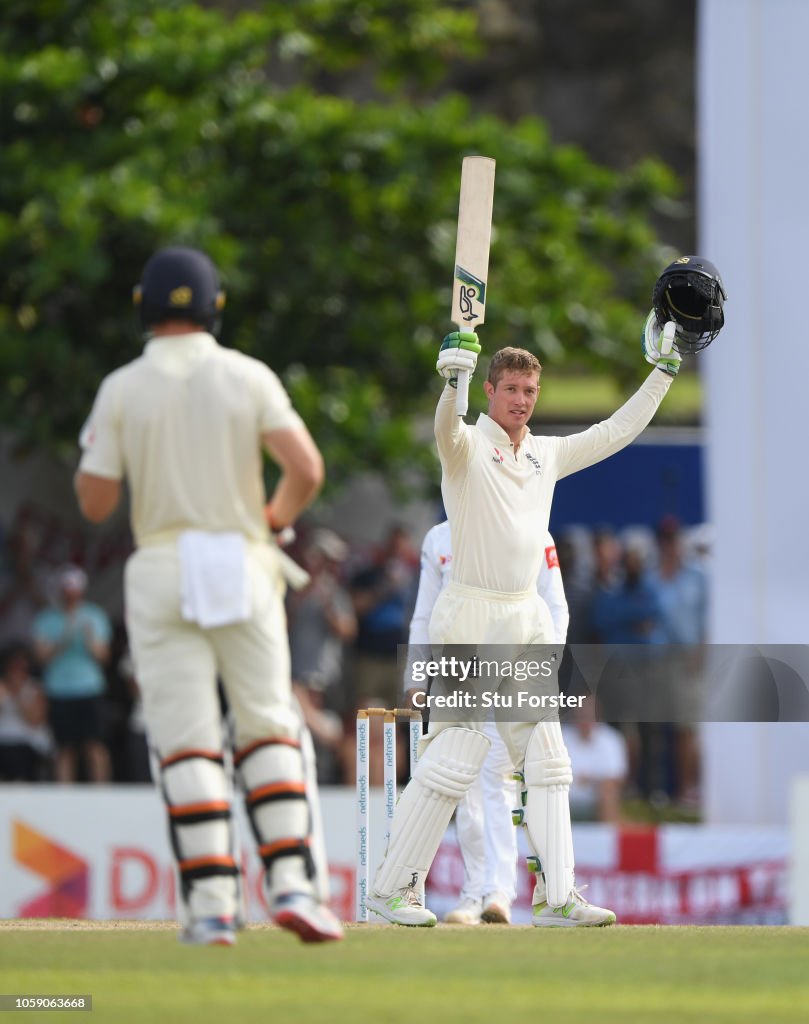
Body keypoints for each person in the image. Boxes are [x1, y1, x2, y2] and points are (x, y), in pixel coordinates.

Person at [366, 307, 680, 928]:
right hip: (468, 616)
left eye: (530, 391)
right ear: (491, 390)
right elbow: (445, 428)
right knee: (453, 756)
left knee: (547, 759)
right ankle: (391, 890)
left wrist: (664, 372)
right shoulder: (466, 448)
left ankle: (557, 895)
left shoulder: (547, 455)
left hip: (524, 619)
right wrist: (450, 379)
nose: (521, 400)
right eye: (510, 389)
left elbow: (618, 430)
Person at [73, 246, 342, 946]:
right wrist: (272, 521)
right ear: (215, 307)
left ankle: (213, 904)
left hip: (161, 564)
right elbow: (305, 469)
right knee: (267, 723)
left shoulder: (122, 386)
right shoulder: (246, 375)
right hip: (241, 559)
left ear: (145, 308)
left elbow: (96, 502)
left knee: (187, 743)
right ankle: (293, 885)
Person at [406, 520, 569, 925]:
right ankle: (475, 891)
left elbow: (556, 607)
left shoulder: (532, 529)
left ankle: (497, 891)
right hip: (458, 672)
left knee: (498, 780)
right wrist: (415, 677)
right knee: (462, 781)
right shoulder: (439, 538)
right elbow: (424, 615)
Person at [31, 565, 112, 783]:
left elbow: (104, 656)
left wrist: (89, 639)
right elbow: (40, 658)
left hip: (89, 687)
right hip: (59, 689)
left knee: (94, 744)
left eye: (74, 589)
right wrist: (64, 638)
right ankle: (65, 796)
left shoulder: (94, 615)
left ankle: (102, 795)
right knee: (64, 747)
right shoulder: (47, 618)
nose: (70, 594)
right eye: (67, 589)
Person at [0, 643, 53, 781]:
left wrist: (16, 696)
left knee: (15, 753)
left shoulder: (35, 688)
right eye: (13, 667)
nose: (17, 672)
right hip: (2, 741)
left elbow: (35, 720)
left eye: (21, 668)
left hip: (25, 743)